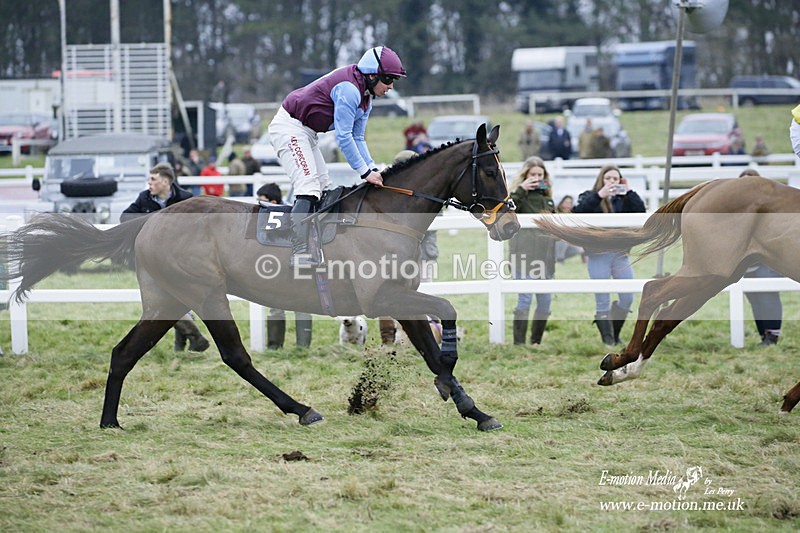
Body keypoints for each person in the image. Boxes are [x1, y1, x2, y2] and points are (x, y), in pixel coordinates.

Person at [269, 45, 406, 267]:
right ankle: (298, 250)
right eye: (388, 79)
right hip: (289, 128)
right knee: (308, 186)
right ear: (372, 75)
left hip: (308, 132)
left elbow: (358, 137)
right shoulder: (350, 90)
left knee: (325, 187)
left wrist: (372, 169)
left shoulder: (366, 97)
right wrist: (364, 173)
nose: (391, 86)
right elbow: (343, 138)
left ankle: (319, 246)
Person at [120, 163, 210, 352]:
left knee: (179, 299)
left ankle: (184, 343)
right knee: (164, 300)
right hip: (153, 259)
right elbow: (125, 217)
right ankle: (194, 338)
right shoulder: (144, 198)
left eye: (153, 179)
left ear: (166, 181)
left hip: (181, 259)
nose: (149, 183)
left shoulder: (186, 199)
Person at [572, 164, 646, 346]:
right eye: (608, 178)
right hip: (598, 254)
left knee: (628, 297)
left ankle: (615, 332)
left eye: (616, 179)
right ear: (601, 180)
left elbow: (641, 212)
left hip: (620, 253)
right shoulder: (589, 196)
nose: (612, 182)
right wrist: (599, 195)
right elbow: (578, 213)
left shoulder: (624, 199)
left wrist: (629, 192)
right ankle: (608, 339)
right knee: (602, 298)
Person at [256, 183, 314, 348]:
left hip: (293, 267)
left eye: (262, 201)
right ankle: (276, 346)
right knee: (277, 307)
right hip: (280, 269)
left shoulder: (287, 217)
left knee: (300, 305)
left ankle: (300, 347)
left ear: (273, 202)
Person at [508, 156, 556, 345]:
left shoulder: (548, 200)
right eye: (532, 175)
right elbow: (508, 210)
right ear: (525, 176)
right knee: (525, 298)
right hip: (523, 255)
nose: (536, 178)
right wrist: (521, 189)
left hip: (545, 258)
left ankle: (536, 340)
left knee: (545, 301)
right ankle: (519, 343)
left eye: (539, 175)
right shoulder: (517, 195)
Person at [737, 169, 782, 345]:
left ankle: (772, 336)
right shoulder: (736, 209)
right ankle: (764, 336)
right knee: (755, 300)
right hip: (746, 262)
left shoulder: (768, 207)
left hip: (766, 259)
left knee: (768, 295)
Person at [554, 195, 584, 263]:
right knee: (562, 240)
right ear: (561, 203)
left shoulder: (573, 217)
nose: (568, 205)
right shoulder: (555, 214)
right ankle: (560, 259)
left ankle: (559, 258)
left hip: (569, 243)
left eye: (570, 203)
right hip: (555, 241)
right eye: (566, 202)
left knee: (580, 250)